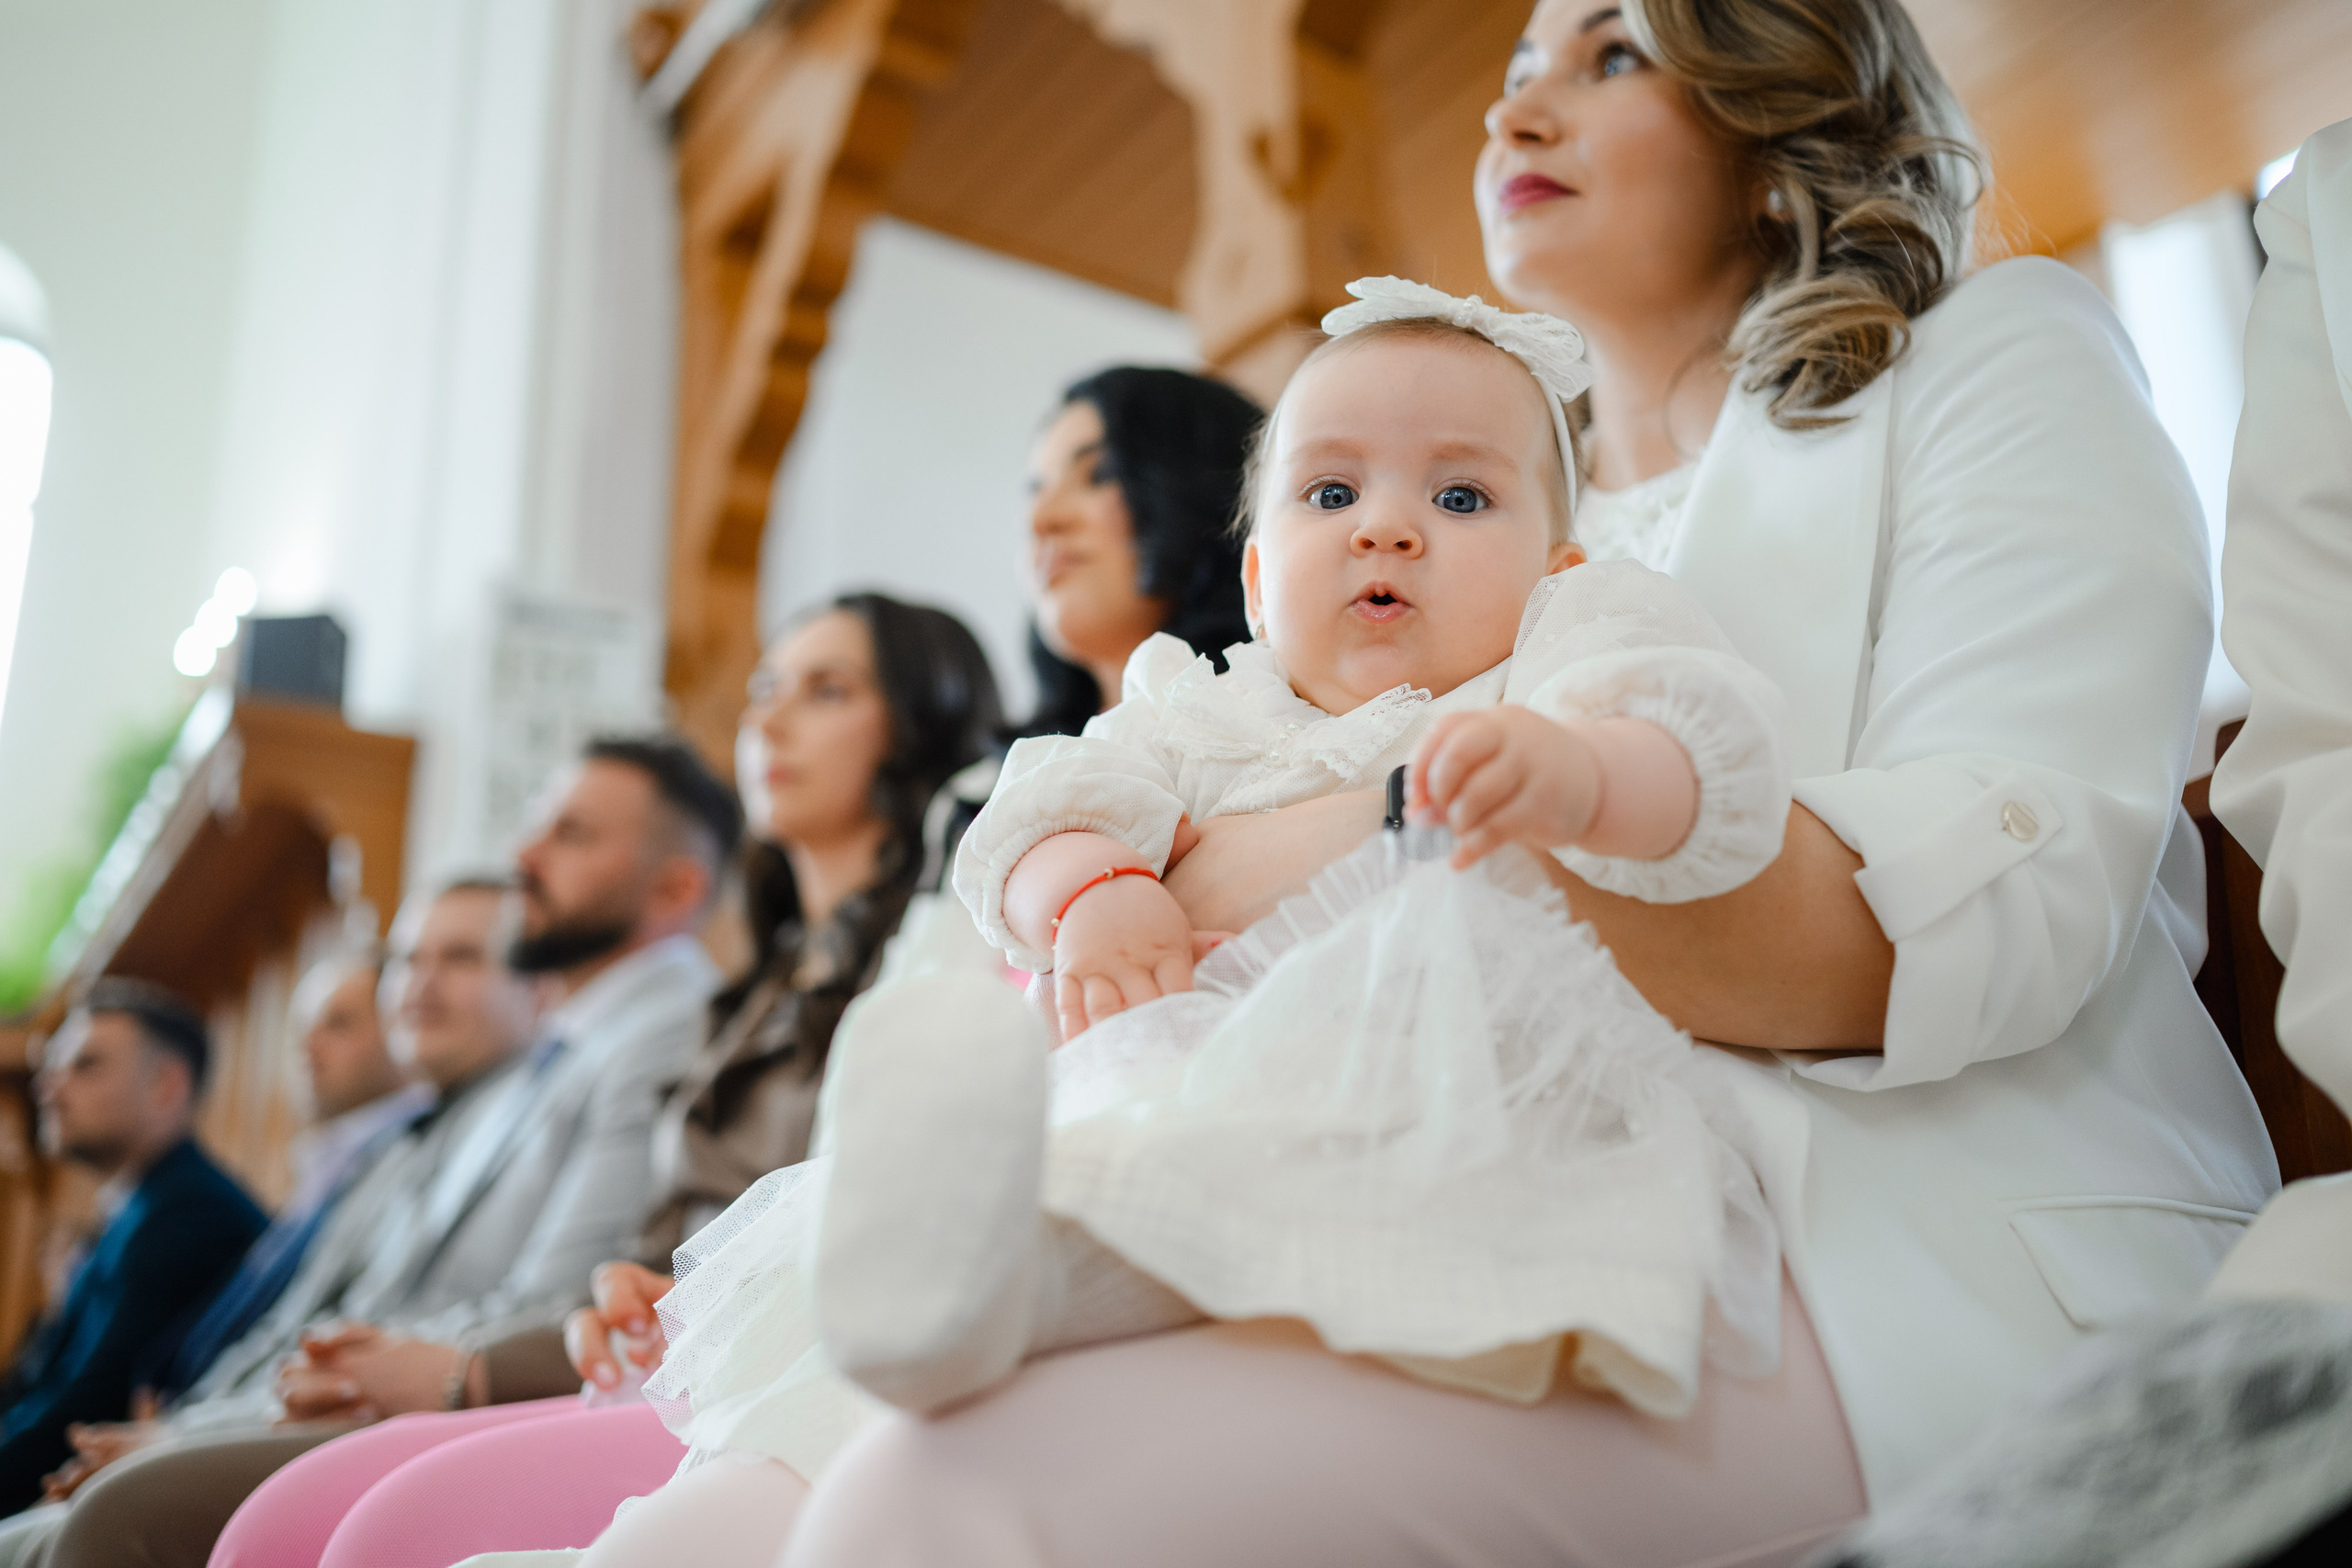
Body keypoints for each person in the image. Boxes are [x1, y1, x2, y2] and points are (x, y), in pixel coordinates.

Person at [509, 4, 2278, 1564]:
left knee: (947, 1511)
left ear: (1779, 101)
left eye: (1610, 54)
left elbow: (1974, 922)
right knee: (721, 1514)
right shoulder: (1491, 533)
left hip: (1904, 1225)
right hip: (1437, 1169)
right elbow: (1114, 846)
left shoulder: (1983, 358)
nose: (1513, 112)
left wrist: (1220, 871)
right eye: (1513, 65)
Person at [201, 370, 1261, 1566]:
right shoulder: (992, 817)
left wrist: (500, 1360)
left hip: (1020, 1283)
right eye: (1030, 486)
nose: (1044, 518)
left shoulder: (1240, 761)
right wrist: (674, 1300)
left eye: (1096, 472)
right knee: (300, 1526)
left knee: (370, 1526)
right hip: (751, 1322)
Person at [10, 735, 733, 1568]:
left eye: (571, 835)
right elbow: (343, 1312)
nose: (524, 856)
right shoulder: (545, 1064)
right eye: (407, 961)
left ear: (677, 885)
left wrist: (207, 1426)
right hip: (418, 1390)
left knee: (116, 1518)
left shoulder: (664, 1030)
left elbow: (569, 1296)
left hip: (511, 1403)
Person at [0, 984, 266, 1515]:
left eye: (85, 1066)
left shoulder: (192, 1214)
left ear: (167, 1086)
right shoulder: (140, 1209)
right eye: (52, 1068)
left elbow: (91, 1409)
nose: (50, 1089)